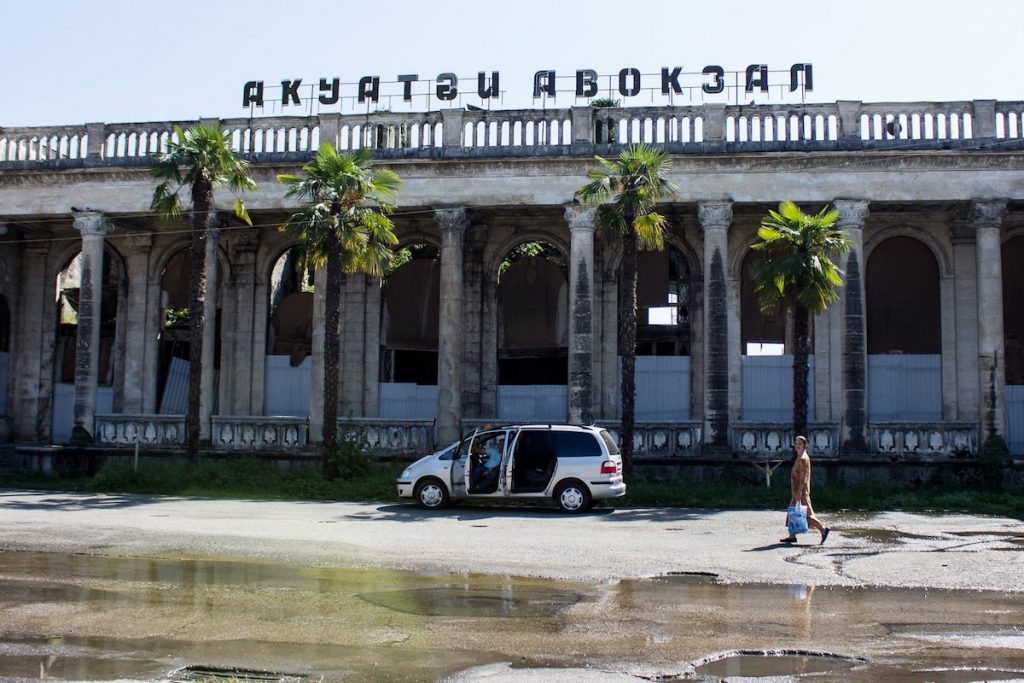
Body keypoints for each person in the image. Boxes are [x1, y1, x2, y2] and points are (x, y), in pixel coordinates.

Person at [780, 435, 831, 545]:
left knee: (806, 514)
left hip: (800, 491)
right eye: (796, 444)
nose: (797, 446)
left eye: (800, 444)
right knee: (793, 512)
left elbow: (804, 477)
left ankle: (823, 529)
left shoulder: (803, 458)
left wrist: (799, 491)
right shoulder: (800, 457)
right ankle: (792, 535)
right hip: (796, 490)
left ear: (804, 445)